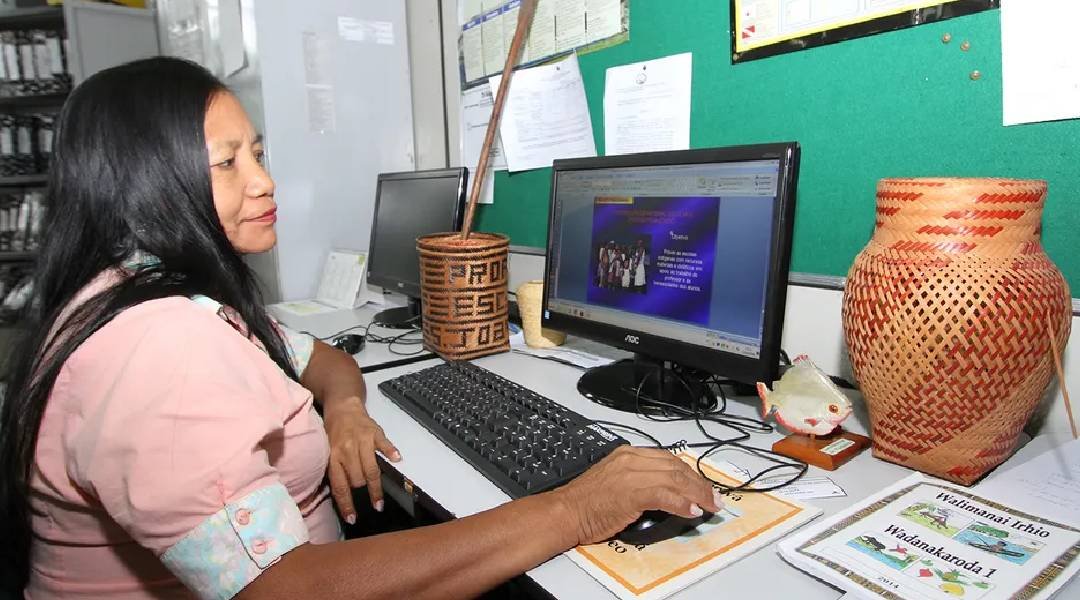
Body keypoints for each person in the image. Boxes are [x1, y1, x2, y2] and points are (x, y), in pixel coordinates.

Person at [0, 58, 721, 599]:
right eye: (226, 163)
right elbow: (287, 590)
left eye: (258, 153)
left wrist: (344, 409)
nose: (263, 181)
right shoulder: (158, 344)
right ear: (145, 184)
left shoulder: (139, 293)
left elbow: (320, 359)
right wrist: (574, 509)